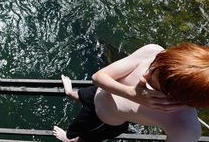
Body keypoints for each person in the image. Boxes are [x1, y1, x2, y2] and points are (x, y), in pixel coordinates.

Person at [53, 43, 208, 142]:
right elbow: (98, 77)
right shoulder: (153, 52)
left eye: (152, 83)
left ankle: (71, 140)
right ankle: (70, 93)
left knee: (82, 136)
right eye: (152, 67)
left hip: (104, 121)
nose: (144, 76)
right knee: (83, 95)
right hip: (99, 91)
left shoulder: (185, 127)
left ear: (177, 98)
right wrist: (131, 93)